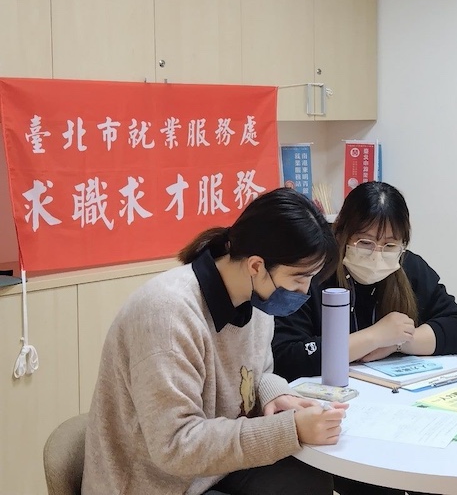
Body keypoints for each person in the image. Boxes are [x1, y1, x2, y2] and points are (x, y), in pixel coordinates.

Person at [83, 188, 348, 495]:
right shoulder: (167, 315)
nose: (304, 292)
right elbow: (176, 446)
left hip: (212, 470)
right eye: (299, 279)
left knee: (309, 480)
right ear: (256, 266)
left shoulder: (256, 301)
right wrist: (289, 429)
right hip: (154, 483)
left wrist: (274, 394)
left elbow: (257, 372)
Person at [273, 181, 457, 495]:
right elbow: (286, 356)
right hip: (333, 419)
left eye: (390, 245)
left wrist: (399, 341)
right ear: (342, 234)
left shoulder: (408, 268)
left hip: (395, 414)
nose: (377, 255)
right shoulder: (314, 273)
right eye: (365, 242)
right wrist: (372, 337)